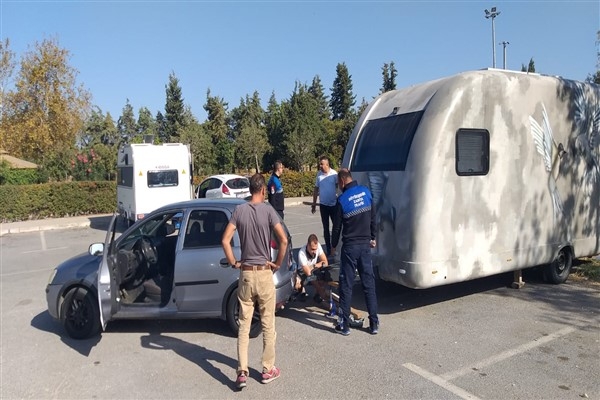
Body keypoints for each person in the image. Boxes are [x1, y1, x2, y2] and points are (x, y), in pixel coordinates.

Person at [221, 173, 289, 390]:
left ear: (251, 189)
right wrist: (277, 262)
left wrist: (234, 262)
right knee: (268, 323)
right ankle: (268, 369)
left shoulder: (239, 211)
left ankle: (242, 371)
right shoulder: (268, 210)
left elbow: (225, 239)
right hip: (264, 272)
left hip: (246, 274)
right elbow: (284, 240)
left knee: (244, 323)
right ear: (263, 190)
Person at [330, 168, 379, 336]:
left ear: (343, 181)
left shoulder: (342, 200)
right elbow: (373, 217)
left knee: (346, 285)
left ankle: (344, 325)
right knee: (368, 284)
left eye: (338, 184)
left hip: (350, 247)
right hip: (365, 246)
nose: (339, 187)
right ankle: (374, 323)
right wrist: (373, 236)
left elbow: (336, 228)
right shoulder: (366, 193)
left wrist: (333, 245)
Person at [311, 156, 338, 255]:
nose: (320, 166)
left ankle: (335, 247)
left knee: (336, 227)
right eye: (320, 164)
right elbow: (316, 189)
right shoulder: (319, 175)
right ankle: (328, 249)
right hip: (323, 205)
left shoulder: (334, 174)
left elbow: (339, 187)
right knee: (326, 228)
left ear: (327, 164)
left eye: (322, 164)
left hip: (334, 205)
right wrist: (314, 204)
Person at [297, 233, 330, 303]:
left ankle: (317, 295)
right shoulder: (301, 253)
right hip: (303, 271)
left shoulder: (318, 247)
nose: (314, 252)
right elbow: (309, 275)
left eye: (315, 249)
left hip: (313, 268)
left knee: (324, 275)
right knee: (297, 284)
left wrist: (315, 266)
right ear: (308, 245)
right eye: (312, 249)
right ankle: (301, 291)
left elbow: (325, 262)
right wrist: (320, 290)